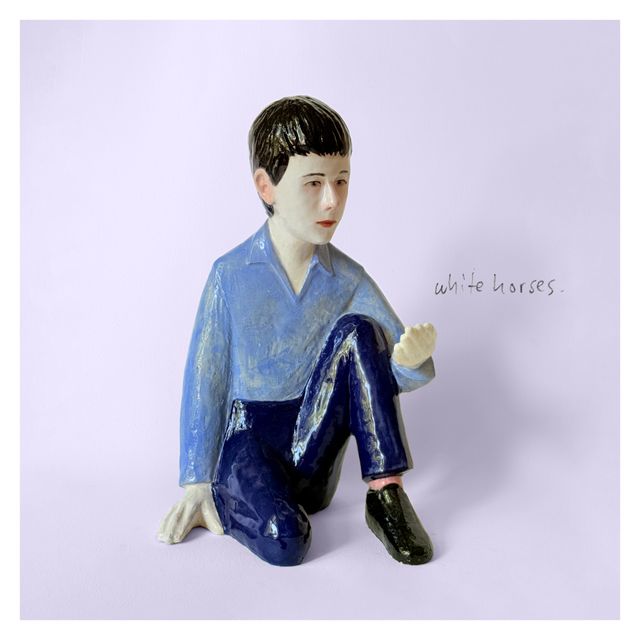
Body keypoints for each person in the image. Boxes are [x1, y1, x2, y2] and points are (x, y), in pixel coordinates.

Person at [157, 96, 437, 566]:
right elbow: (206, 378)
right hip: (250, 440)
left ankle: (386, 492)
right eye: (313, 183)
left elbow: (388, 372)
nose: (332, 200)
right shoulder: (230, 275)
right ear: (266, 186)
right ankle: (237, 496)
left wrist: (409, 361)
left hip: (313, 441)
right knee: (286, 542)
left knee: (358, 330)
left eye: (341, 181)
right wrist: (197, 480)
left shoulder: (348, 279)